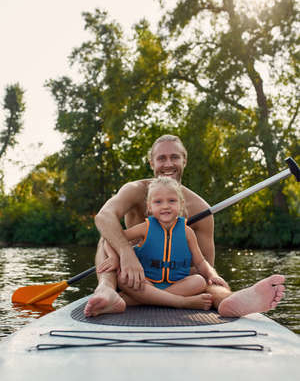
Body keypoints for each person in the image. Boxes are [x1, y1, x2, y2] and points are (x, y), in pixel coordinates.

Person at [84, 134, 285, 318]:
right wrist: (126, 253)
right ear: (151, 162)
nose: (168, 164)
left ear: (184, 161)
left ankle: (228, 300)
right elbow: (104, 217)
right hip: (133, 277)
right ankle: (106, 290)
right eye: (161, 158)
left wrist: (211, 275)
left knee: (203, 280)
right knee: (108, 235)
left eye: (174, 157)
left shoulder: (200, 209)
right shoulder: (135, 190)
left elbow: (204, 264)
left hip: (174, 278)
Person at [97, 176, 228, 310]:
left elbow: (200, 262)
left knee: (199, 281)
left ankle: (142, 300)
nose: (165, 206)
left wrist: (213, 274)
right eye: (158, 202)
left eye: (171, 201)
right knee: (123, 278)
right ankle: (181, 302)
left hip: (176, 284)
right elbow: (110, 239)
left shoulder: (187, 232)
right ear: (150, 207)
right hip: (146, 283)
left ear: (181, 204)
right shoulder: (145, 228)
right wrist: (114, 257)